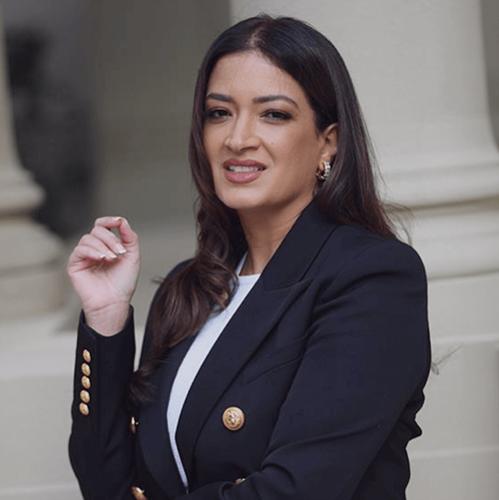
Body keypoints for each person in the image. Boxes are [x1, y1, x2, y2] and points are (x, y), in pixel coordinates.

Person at [66, 14, 431, 500]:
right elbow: (107, 484)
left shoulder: (371, 278)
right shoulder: (188, 290)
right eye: (219, 113)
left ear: (328, 141)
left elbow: (298, 490)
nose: (237, 139)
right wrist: (106, 320)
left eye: (273, 114)